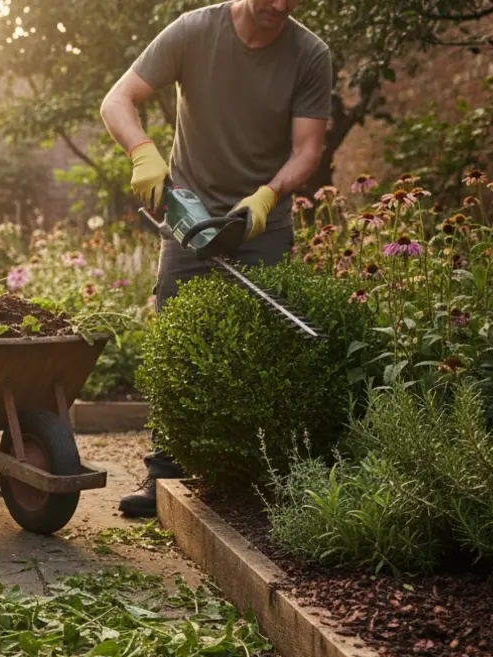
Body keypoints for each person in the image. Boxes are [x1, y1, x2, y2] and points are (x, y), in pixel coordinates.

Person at [99, 0, 332, 517]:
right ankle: (164, 475)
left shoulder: (310, 54)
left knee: (264, 346)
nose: (280, 6)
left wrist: (268, 195)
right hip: (192, 218)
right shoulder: (193, 32)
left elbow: (307, 150)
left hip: (259, 221)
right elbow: (117, 100)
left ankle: (256, 476)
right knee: (176, 336)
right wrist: (142, 150)